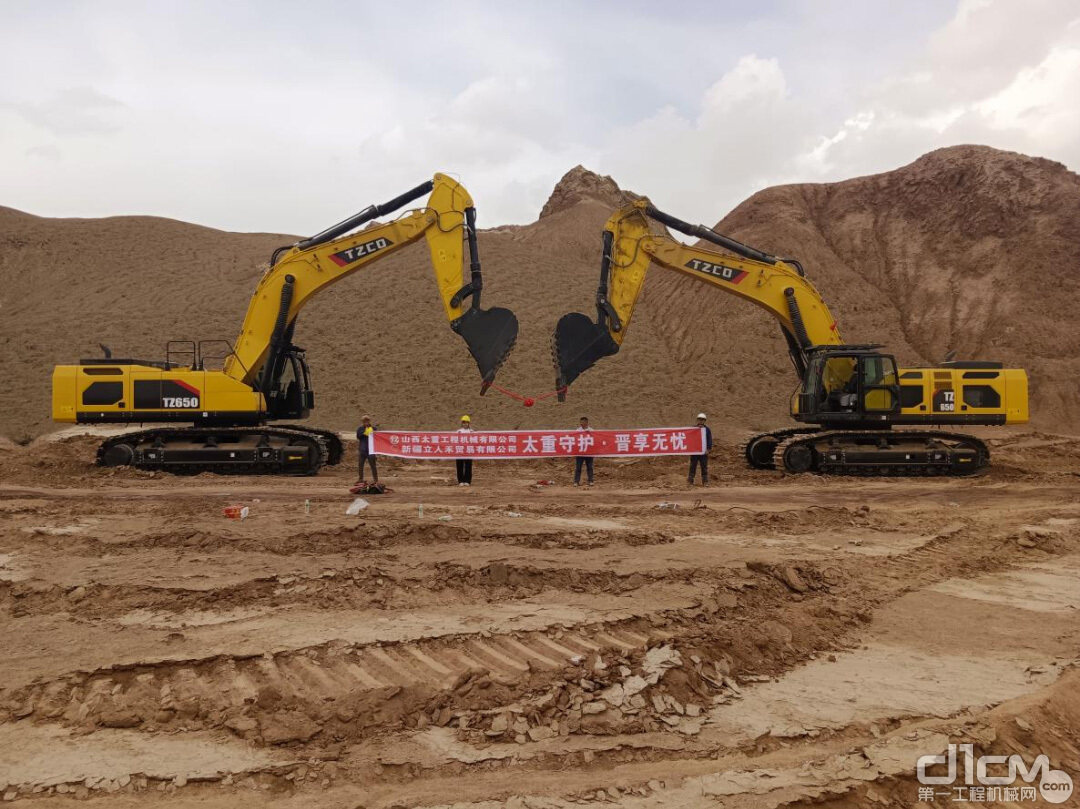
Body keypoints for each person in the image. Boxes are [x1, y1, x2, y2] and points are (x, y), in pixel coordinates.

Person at [688, 412, 713, 485]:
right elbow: (689, 439)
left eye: (702, 420)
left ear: (704, 421)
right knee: (693, 466)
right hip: (695, 452)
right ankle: (690, 481)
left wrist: (708, 449)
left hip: (703, 452)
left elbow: (709, 440)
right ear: (697, 420)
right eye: (699, 419)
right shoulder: (693, 429)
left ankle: (705, 481)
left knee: (704, 466)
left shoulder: (707, 430)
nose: (701, 421)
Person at [356, 414, 378, 486]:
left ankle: (375, 480)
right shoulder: (360, 429)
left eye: (367, 421)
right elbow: (358, 436)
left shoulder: (374, 429)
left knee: (373, 465)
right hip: (362, 450)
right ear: (362, 422)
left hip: (371, 450)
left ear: (369, 421)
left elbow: (377, 437)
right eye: (364, 421)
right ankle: (360, 479)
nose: (366, 422)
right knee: (360, 465)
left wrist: (370, 431)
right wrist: (365, 432)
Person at [573, 415, 594, 486]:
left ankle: (591, 481)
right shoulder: (577, 431)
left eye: (584, 422)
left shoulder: (591, 430)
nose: (582, 423)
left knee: (590, 467)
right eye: (581, 422)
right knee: (578, 467)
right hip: (580, 452)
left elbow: (595, 440)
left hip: (589, 452)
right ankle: (576, 481)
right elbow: (574, 439)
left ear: (587, 422)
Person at [455, 414, 473, 486]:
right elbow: (454, 440)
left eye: (466, 422)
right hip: (459, 451)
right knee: (459, 466)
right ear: (462, 423)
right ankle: (460, 481)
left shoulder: (471, 431)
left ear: (469, 423)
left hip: (468, 451)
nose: (465, 424)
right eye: (463, 422)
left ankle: (467, 481)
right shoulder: (458, 431)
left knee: (468, 466)